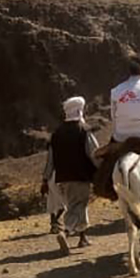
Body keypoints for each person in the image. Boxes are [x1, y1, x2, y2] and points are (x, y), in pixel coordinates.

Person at [42, 97, 99, 255]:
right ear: (80, 111)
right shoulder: (83, 130)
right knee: (78, 205)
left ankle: (83, 237)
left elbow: (50, 160)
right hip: (80, 176)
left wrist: (45, 179)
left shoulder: (56, 134)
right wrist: (102, 169)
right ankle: (65, 232)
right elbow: (94, 154)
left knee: (76, 204)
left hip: (62, 178)